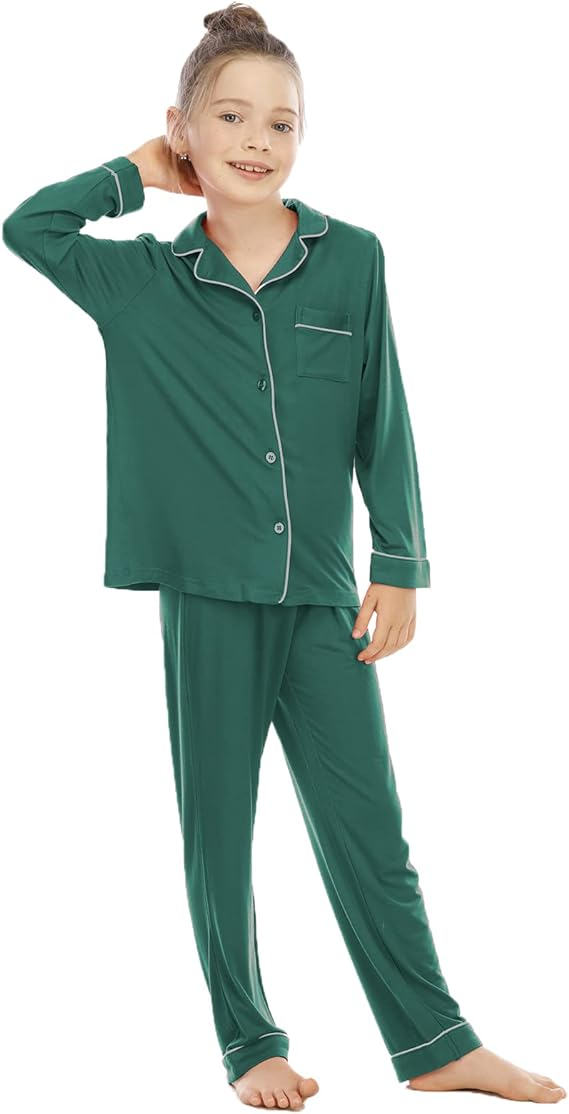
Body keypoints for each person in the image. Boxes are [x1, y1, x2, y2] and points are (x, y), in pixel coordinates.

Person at [2, 3, 565, 1109]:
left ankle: (434, 1041)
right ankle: (248, 1043)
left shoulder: (351, 259)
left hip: (322, 594)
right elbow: (31, 228)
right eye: (228, 117)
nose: (256, 140)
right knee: (218, 830)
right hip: (206, 594)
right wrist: (134, 172)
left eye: (281, 122)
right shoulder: (141, 282)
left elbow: (381, 414)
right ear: (184, 130)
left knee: (371, 827)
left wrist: (399, 561)